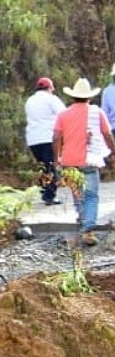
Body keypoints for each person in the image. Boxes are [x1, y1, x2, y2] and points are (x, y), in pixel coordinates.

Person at [52, 78, 114, 247]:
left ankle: (82, 218)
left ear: (73, 97)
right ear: (89, 97)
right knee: (92, 196)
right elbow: (107, 134)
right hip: (90, 160)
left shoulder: (63, 114)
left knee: (77, 194)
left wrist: (57, 159)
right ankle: (88, 230)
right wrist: (113, 151)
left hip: (69, 161)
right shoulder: (97, 112)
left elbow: (56, 137)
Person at [24, 77, 65, 206]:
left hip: (33, 139)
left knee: (43, 167)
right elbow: (64, 114)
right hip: (48, 137)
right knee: (52, 166)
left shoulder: (29, 101)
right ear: (49, 88)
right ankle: (49, 195)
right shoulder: (51, 99)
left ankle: (45, 190)